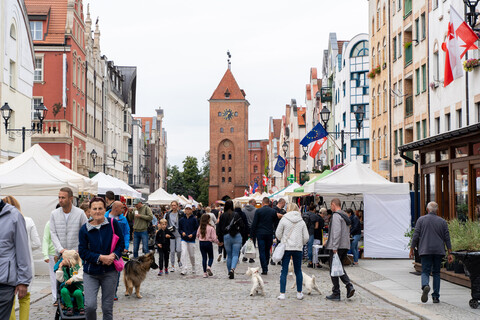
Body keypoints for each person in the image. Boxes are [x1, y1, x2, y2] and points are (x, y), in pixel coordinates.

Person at [78, 197, 124, 320]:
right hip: (91, 273)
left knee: (107, 308)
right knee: (90, 306)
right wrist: (100, 258)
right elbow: (82, 252)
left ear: (105, 210)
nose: (97, 211)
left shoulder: (113, 224)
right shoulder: (84, 229)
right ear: (89, 211)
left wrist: (113, 255)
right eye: (94, 209)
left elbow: (121, 244)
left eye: (100, 208)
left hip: (110, 272)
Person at [3, 196, 40, 320]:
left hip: (12, 266)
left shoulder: (16, 218)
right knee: (25, 298)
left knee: (11, 301)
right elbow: (36, 243)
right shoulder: (27, 220)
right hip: (25, 262)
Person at [410, 201, 453, 304]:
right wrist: (450, 253)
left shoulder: (421, 220)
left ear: (427, 209)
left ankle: (425, 285)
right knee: (436, 273)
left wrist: (411, 249)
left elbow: (416, 236)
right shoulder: (442, 222)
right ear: (436, 210)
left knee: (425, 271)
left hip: (425, 250)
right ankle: (436, 296)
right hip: (438, 251)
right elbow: (447, 238)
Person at [276, 203, 309, 300]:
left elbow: (278, 233)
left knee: (284, 271)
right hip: (297, 248)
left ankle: (282, 293)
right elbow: (306, 237)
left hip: (286, 248)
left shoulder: (284, 219)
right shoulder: (301, 221)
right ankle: (299, 293)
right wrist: (300, 243)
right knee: (298, 270)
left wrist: (283, 240)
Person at [325, 198, 355, 301]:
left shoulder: (336, 216)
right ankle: (348, 286)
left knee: (333, 269)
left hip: (337, 246)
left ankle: (337, 292)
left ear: (333, 204)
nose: (330, 207)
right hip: (345, 245)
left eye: (331, 205)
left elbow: (336, 232)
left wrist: (334, 246)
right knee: (339, 267)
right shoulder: (345, 215)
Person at [50, 187, 88, 255]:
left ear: (71, 198)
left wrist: (80, 249)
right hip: (61, 254)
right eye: (59, 197)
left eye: (63, 198)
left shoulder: (80, 213)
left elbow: (87, 232)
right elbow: (53, 233)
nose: (60, 200)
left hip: (77, 254)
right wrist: (60, 249)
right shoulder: (54, 214)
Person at [106, 201, 130, 300]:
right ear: (115, 208)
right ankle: (107, 291)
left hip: (118, 248)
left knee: (117, 269)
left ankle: (114, 292)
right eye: (122, 208)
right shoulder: (104, 216)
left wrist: (126, 246)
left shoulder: (123, 219)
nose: (123, 210)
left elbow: (126, 233)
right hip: (106, 248)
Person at [251, 197, 279, 275]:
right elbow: (276, 223)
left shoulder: (258, 211)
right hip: (269, 233)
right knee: (267, 250)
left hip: (260, 233)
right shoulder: (273, 211)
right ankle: (266, 263)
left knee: (262, 251)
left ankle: (264, 268)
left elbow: (254, 223)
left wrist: (251, 235)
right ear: (269, 203)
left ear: (263, 203)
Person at [217, 200, 244, 279]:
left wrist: (220, 239)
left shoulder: (222, 216)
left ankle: (229, 271)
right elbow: (242, 226)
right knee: (235, 254)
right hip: (237, 236)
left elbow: (219, 228)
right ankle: (232, 269)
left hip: (226, 236)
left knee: (229, 255)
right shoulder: (237, 214)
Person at [55, 250, 84, 316]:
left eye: (63, 259)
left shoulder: (79, 267)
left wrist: (72, 279)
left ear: (68, 260)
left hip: (77, 288)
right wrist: (59, 269)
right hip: (67, 288)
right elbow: (60, 279)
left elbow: (81, 276)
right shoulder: (63, 269)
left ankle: (81, 307)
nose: (61, 261)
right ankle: (69, 307)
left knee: (78, 293)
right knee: (63, 290)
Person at [178, 204, 199, 275]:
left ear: (191, 210)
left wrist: (193, 234)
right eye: (186, 209)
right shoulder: (181, 219)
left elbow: (197, 229)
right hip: (183, 239)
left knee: (191, 255)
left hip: (191, 239)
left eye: (189, 209)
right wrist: (182, 232)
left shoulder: (194, 219)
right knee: (183, 253)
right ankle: (184, 268)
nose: (187, 210)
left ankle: (193, 266)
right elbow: (179, 229)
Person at [165, 200, 184, 272]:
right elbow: (166, 223)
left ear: (177, 206)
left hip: (178, 234)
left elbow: (183, 222)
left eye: (175, 205)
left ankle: (179, 260)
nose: (173, 207)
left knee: (179, 249)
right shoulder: (168, 214)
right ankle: (172, 265)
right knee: (172, 251)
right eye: (172, 205)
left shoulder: (180, 213)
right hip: (171, 234)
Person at [42, 220, 58, 306]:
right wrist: (45, 254)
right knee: (54, 276)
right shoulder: (49, 223)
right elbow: (45, 238)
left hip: (65, 252)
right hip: (53, 254)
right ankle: (55, 298)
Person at [302, 204, 321, 268]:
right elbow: (316, 226)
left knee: (302, 246)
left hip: (303, 232)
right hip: (311, 233)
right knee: (310, 247)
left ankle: (300, 259)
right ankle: (310, 261)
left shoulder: (304, 214)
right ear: (314, 209)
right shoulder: (315, 216)